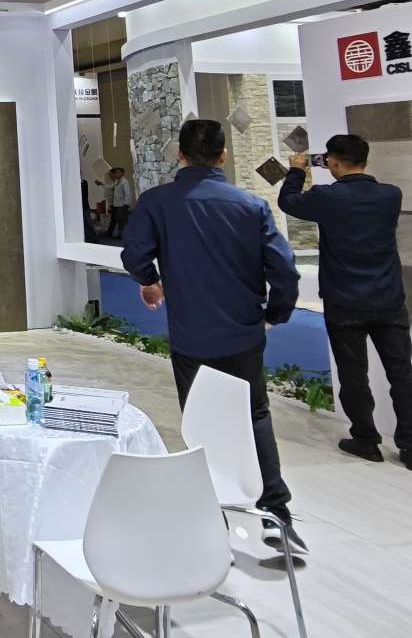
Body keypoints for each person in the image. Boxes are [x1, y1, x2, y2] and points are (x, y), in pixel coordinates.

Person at [120, 119, 305, 557]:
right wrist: (275, 313)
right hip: (243, 333)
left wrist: (150, 280)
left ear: (180, 155)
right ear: (223, 155)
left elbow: (135, 253)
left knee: (199, 420)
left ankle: (211, 515)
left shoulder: (158, 203)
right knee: (255, 416)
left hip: (191, 336)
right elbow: (284, 269)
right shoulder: (251, 206)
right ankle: (276, 514)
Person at [278, 133, 412, 472]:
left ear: (332, 161)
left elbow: (288, 202)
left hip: (344, 299)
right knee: (402, 374)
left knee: (353, 374)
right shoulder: (391, 195)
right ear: (365, 159)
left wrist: (297, 170)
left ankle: (366, 439)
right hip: (388, 298)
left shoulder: (327, 197)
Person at [105, 166, 135, 238]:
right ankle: (120, 235)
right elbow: (110, 187)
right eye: (116, 172)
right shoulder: (117, 181)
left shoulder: (124, 182)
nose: (116, 174)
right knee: (117, 220)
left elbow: (128, 193)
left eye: (118, 172)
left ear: (122, 173)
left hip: (122, 205)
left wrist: (126, 204)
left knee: (122, 221)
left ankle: (123, 235)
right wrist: (101, 184)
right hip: (116, 205)